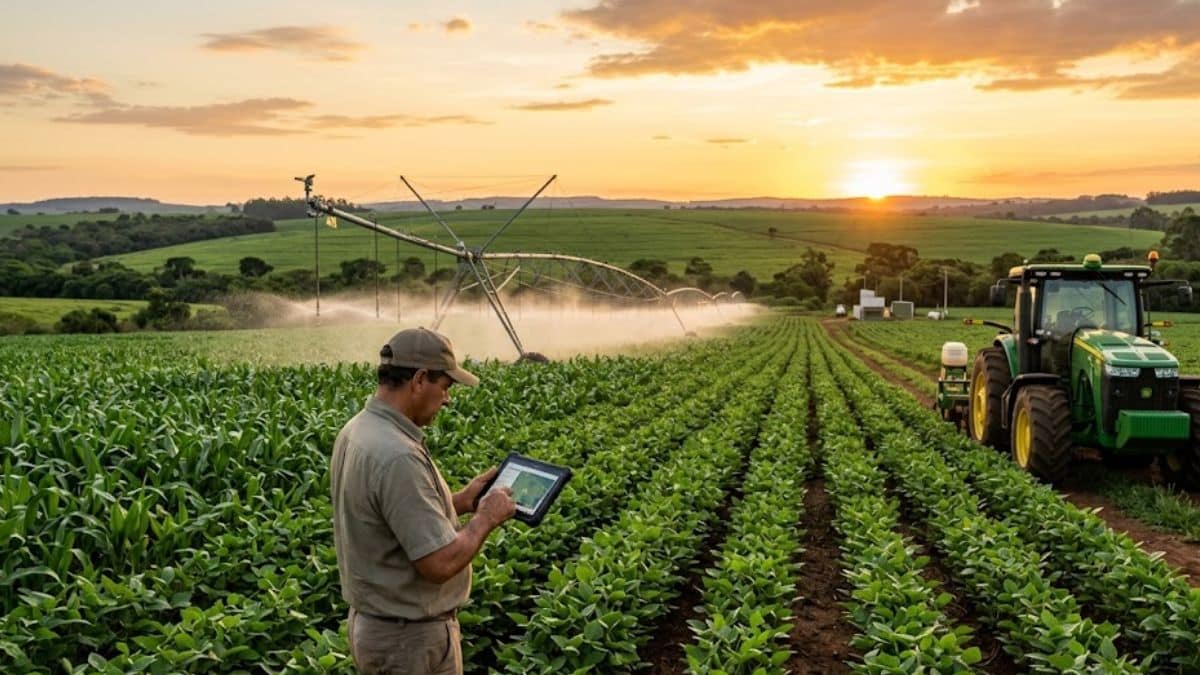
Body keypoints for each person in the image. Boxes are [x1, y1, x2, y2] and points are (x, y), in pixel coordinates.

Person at [331, 327, 516, 674]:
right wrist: (486, 519)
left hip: (380, 628)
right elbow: (439, 564)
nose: (447, 399)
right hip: (408, 641)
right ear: (418, 380)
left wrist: (460, 501)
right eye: (444, 387)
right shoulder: (397, 454)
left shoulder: (359, 429)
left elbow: (387, 514)